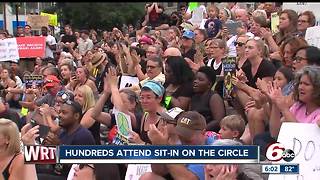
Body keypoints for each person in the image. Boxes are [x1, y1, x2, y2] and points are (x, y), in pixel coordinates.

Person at [268, 65, 320, 138]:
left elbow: (304, 138)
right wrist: (275, 103)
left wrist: (284, 109)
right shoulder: (298, 106)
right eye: (300, 83)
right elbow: (275, 133)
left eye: (306, 84)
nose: (300, 87)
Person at [191, 66, 226, 132]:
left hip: (208, 132)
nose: (195, 81)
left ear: (209, 84)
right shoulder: (194, 96)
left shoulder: (214, 97)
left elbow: (218, 121)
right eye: (195, 79)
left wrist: (202, 130)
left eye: (200, 80)